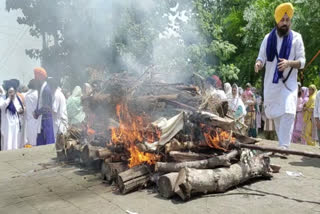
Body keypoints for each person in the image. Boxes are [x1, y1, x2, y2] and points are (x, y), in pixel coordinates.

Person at [255, 3, 306, 149]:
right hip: (272, 85)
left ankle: (284, 146)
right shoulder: (267, 38)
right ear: (277, 21)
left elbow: (302, 62)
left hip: (289, 84)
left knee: (289, 110)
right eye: (282, 20)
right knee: (277, 114)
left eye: (287, 20)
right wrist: (258, 64)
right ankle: (282, 143)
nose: (285, 23)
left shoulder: (297, 38)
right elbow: (261, 57)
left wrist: (289, 63)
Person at [33, 67, 55, 146]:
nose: (35, 80)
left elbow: (45, 106)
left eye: (36, 77)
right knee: (42, 140)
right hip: (43, 118)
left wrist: (37, 113)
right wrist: (36, 111)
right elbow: (40, 104)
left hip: (46, 119)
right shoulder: (42, 88)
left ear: (40, 78)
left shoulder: (45, 89)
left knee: (47, 140)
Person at [0, 80, 24, 150]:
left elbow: (19, 108)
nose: (12, 94)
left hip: (15, 122)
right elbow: (2, 107)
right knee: (7, 140)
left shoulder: (16, 99)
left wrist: (21, 111)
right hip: (7, 124)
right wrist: (9, 98)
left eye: (13, 92)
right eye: (10, 92)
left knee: (15, 140)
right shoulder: (3, 99)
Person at [24, 79, 40, 147]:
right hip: (37, 120)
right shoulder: (38, 94)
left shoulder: (27, 95)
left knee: (31, 142)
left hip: (29, 121)